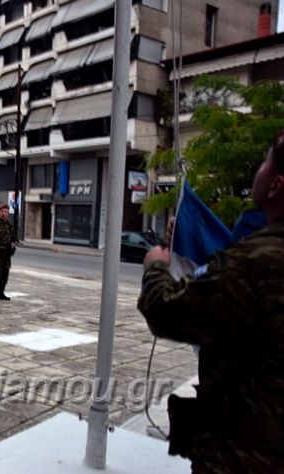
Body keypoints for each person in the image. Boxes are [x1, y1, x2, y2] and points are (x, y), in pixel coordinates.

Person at [138, 129, 284, 472]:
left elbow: (166, 310)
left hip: (246, 456)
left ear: (277, 185)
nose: (258, 171)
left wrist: (156, 267)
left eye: (265, 162)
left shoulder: (256, 262)